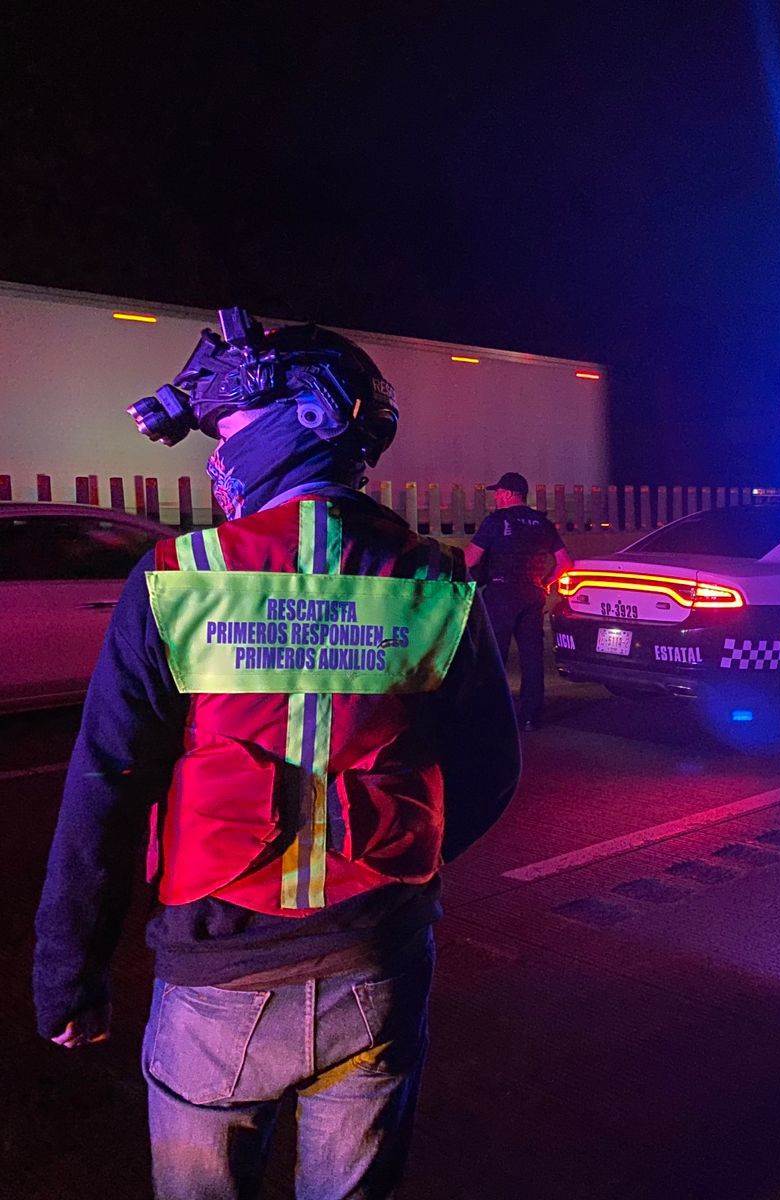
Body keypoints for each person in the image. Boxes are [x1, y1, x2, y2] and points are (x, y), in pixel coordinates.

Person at [33, 308, 521, 1200]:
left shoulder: (180, 577)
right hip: (378, 964)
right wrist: (397, 864)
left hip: (218, 979)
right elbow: (490, 769)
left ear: (308, 419)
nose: (218, 449)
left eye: (231, 425)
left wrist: (71, 972)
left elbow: (106, 782)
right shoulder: (435, 579)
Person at [464, 471, 572, 729]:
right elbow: (566, 563)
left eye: (499, 492)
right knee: (532, 658)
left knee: (494, 659)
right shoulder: (542, 523)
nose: (497, 497)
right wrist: (544, 583)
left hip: (500, 595)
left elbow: (470, 559)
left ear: (510, 494)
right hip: (532, 596)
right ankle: (530, 717)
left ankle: (493, 716)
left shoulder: (496, 521)